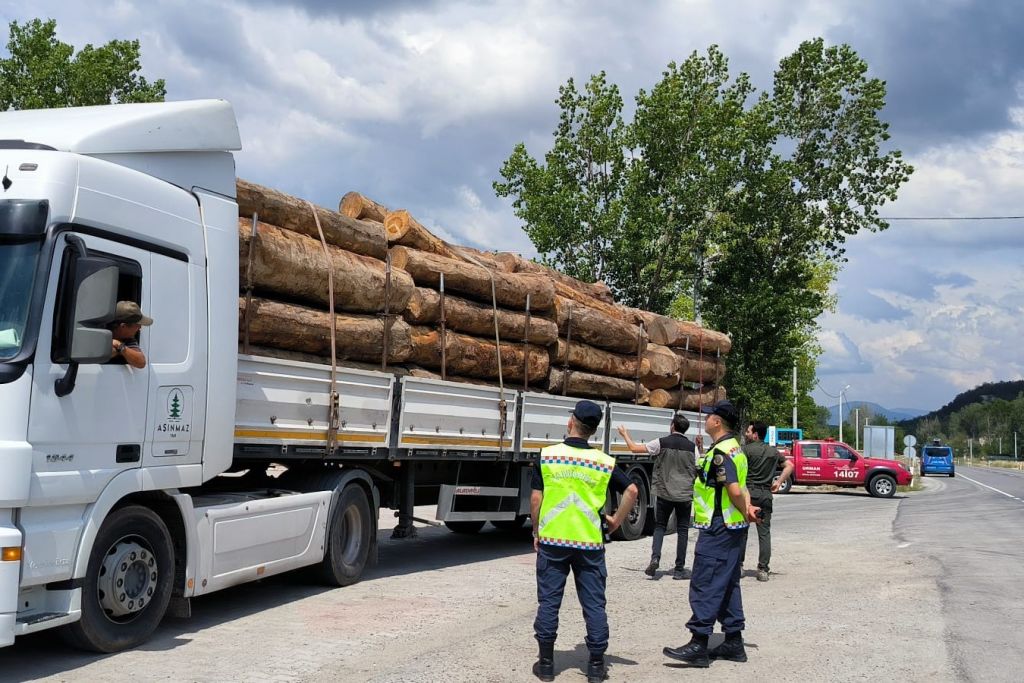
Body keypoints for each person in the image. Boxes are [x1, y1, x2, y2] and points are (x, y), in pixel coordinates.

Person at [532, 400, 639, 683]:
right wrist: (615, 521)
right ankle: (594, 666)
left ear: (571, 423)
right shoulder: (603, 462)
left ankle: (545, 664)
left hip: (553, 540)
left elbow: (536, 499)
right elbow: (632, 489)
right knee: (593, 605)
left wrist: (536, 531)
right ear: (593, 430)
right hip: (589, 544)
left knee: (549, 602)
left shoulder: (547, 456)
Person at [663, 400, 760, 668]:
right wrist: (748, 510)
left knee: (705, 582)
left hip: (720, 526)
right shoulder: (734, 449)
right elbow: (739, 487)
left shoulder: (722, 453)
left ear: (717, 421)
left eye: (708, 416)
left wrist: (743, 509)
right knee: (727, 583)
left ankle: (699, 642)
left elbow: (733, 490)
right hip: (732, 527)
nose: (704, 419)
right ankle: (733, 641)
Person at [617, 411, 698, 580]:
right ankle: (679, 568)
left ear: (673, 426)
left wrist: (625, 434)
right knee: (682, 530)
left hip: (664, 493)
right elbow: (698, 466)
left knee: (660, 526)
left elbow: (634, 449)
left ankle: (655, 558)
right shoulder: (692, 448)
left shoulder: (661, 442)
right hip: (684, 495)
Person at [743, 421, 795, 582]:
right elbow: (789, 465)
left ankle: (738, 566)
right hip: (765, 494)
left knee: (741, 532)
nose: (746, 433)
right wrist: (778, 482)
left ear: (755, 434)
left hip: (747, 494)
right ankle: (763, 569)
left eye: (748, 431)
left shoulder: (745, 450)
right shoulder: (773, 452)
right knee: (764, 533)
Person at [108, 301, 152, 369]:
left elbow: (141, 362)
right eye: (137, 325)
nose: (140, 327)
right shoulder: (100, 331)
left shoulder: (128, 338)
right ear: (123, 326)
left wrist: (120, 346)